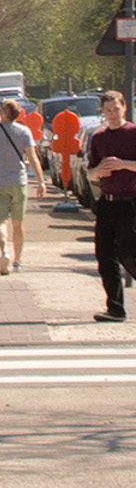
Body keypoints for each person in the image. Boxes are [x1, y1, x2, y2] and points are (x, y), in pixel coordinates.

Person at [84, 87, 136, 323]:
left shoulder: (133, 133)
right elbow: (90, 173)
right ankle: (115, 308)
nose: (113, 114)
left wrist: (123, 164)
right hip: (107, 201)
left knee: (128, 253)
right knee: (105, 256)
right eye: (108, 110)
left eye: (116, 109)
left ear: (124, 107)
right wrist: (98, 171)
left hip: (130, 201)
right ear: (103, 112)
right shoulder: (99, 138)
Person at [0, 96, 46, 275]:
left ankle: (4, 251)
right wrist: (41, 181)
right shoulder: (24, 132)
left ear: (3, 113)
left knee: (0, 222)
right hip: (19, 181)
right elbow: (32, 158)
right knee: (18, 223)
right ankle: (17, 261)